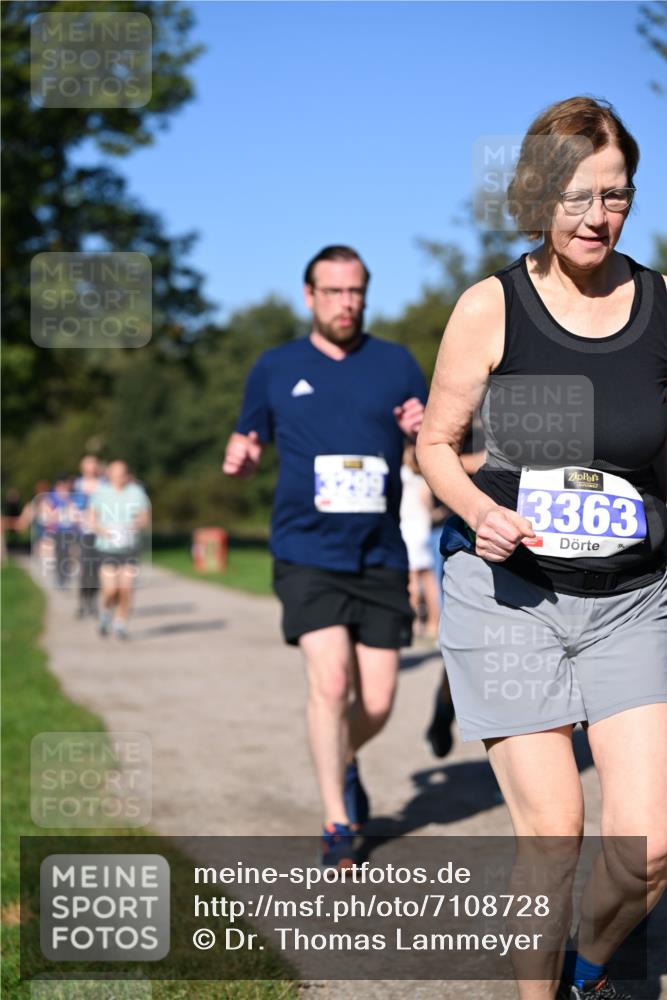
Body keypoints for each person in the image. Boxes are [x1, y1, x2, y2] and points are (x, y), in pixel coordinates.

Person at [417, 96, 667, 1000]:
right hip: (509, 594)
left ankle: (586, 968)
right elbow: (435, 445)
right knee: (555, 829)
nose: (596, 217)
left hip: (633, 599)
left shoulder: (661, 306)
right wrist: (474, 511)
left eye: (616, 195)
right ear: (537, 196)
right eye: (575, 197)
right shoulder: (492, 306)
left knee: (651, 841)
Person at [223, 245, 427, 868]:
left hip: (380, 553)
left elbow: (437, 447)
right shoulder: (275, 366)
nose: (348, 303)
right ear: (308, 296)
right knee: (331, 681)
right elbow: (247, 435)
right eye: (334, 292)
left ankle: (339, 753)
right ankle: (337, 819)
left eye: (357, 291)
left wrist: (426, 429)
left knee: (380, 701)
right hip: (306, 550)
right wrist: (242, 455)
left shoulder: (396, 365)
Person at [88, 460, 150, 640]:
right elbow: (91, 519)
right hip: (106, 547)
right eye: (115, 474)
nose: (118, 477)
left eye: (122, 474)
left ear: (126, 475)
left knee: (126, 589)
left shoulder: (136, 492)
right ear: (109, 474)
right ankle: (106, 613)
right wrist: (106, 531)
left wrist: (132, 526)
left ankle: (120, 624)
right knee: (111, 590)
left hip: (129, 547)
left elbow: (144, 517)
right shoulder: (100, 493)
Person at [399, 442, 441, 640]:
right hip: (423, 527)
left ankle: (415, 622)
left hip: (410, 529)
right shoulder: (424, 476)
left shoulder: (405, 474)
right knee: (429, 578)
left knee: (413, 579)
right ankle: (434, 623)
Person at [72, 454, 104, 618]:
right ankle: (82, 602)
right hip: (82, 531)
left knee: (97, 569)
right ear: (82, 467)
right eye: (87, 464)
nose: (91, 467)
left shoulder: (104, 484)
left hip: (100, 532)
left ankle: (93, 602)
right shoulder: (77, 485)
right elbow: (71, 508)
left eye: (93, 463)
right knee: (85, 568)